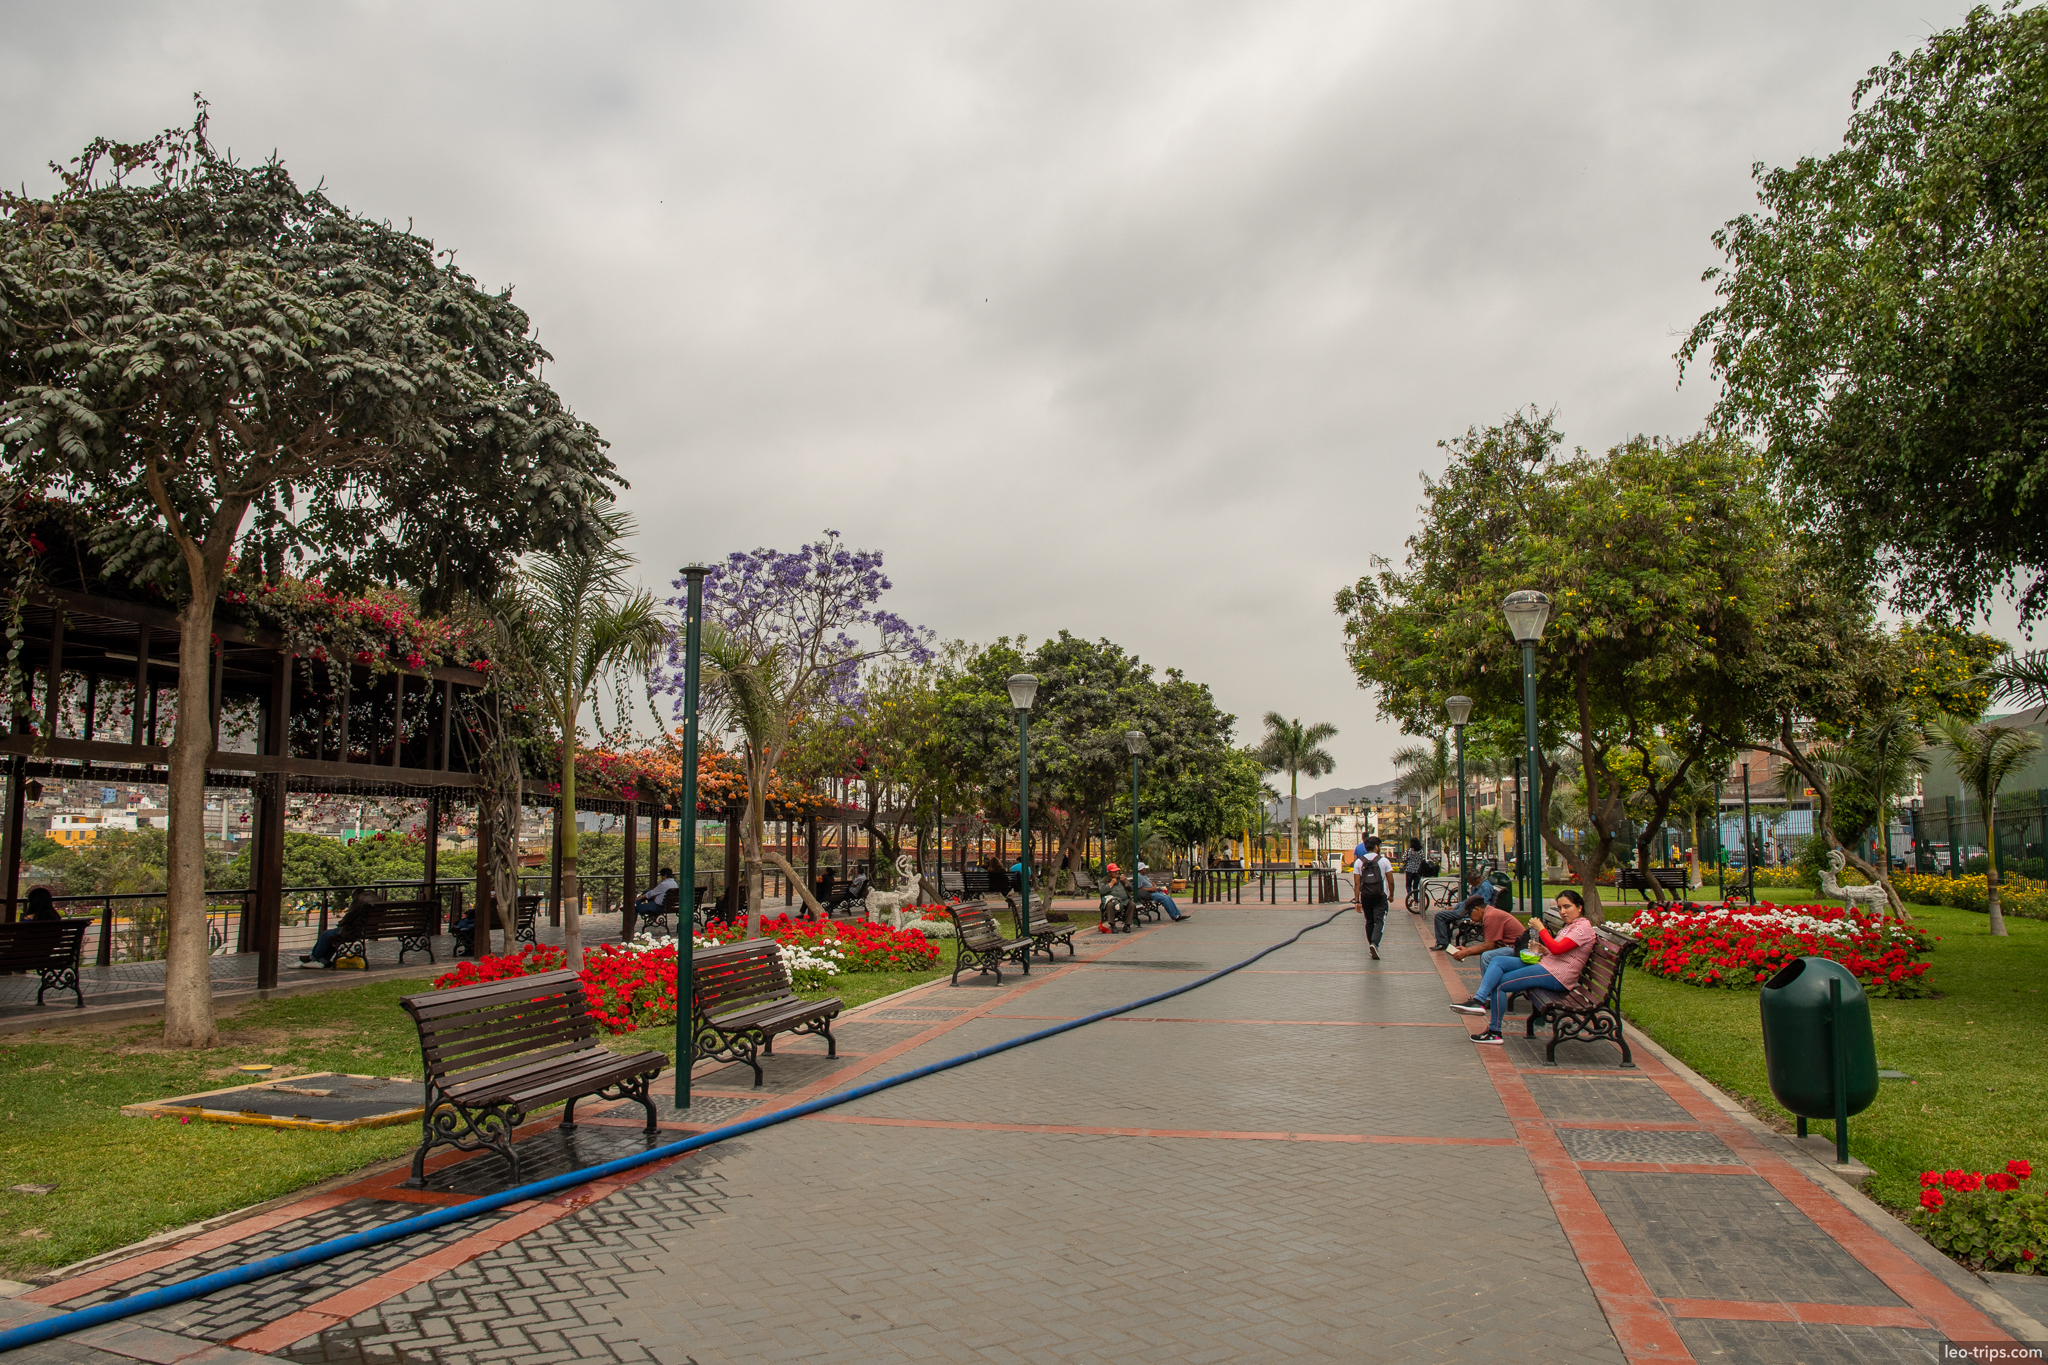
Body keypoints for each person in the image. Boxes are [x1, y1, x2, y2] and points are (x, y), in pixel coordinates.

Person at [1455, 890, 1597, 1043]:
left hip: (1557, 975)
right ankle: (1479, 1000)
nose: (1563, 912)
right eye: (1560, 907)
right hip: (1547, 965)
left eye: (1567, 907)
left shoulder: (1582, 929)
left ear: (1579, 907)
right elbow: (1558, 950)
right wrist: (1543, 950)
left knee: (1500, 985)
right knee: (1497, 961)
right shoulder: (1571, 926)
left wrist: (1541, 928)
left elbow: (1557, 949)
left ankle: (1494, 1032)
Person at [300, 890, 381, 969]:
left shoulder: (360, 901)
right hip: (366, 931)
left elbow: (349, 917)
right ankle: (323, 961)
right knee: (333, 937)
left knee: (326, 934)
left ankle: (313, 958)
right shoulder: (377, 901)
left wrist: (341, 923)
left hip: (353, 931)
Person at [1444, 897, 1527, 968]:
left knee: (1487, 956)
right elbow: (1489, 944)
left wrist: (1466, 952)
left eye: (1469, 914)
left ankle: (1488, 985)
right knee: (1487, 954)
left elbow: (1489, 946)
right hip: (1511, 947)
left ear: (1476, 909)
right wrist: (1467, 950)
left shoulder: (1491, 916)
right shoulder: (1489, 913)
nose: (1469, 917)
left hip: (1518, 948)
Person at [1353, 836, 1392, 961]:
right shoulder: (1384, 861)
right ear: (1376, 847)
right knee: (1379, 920)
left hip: (1366, 896)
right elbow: (1390, 880)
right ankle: (1374, 944)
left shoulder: (1359, 862)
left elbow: (1357, 883)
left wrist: (1357, 901)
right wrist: (1391, 894)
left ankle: (1371, 945)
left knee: (1369, 921)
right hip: (1380, 896)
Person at [1432, 869, 1490, 950]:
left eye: (1471, 882)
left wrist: (1475, 916)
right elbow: (1467, 900)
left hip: (1469, 911)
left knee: (1440, 916)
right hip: (1465, 909)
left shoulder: (1485, 887)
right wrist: (1455, 907)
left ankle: (1442, 942)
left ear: (1477, 879)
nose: (1470, 884)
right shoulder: (1477, 886)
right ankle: (1444, 941)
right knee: (1445, 914)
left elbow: (1485, 904)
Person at [1098, 864, 1135, 933]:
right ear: (1109, 873)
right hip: (1112, 901)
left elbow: (1132, 889)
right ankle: (1113, 925)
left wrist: (1125, 882)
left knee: (1132, 904)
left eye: (1117, 871)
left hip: (1124, 900)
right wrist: (1111, 884)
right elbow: (1102, 891)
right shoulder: (1104, 880)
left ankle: (1127, 925)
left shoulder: (1121, 879)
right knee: (1109, 905)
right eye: (1114, 871)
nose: (1117, 873)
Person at [1400, 838, 1426, 913]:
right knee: (1415, 886)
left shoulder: (1408, 851)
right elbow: (1423, 860)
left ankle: (1410, 896)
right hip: (1418, 871)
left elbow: (1403, 859)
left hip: (1409, 870)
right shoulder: (1420, 851)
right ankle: (1416, 903)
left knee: (1408, 885)